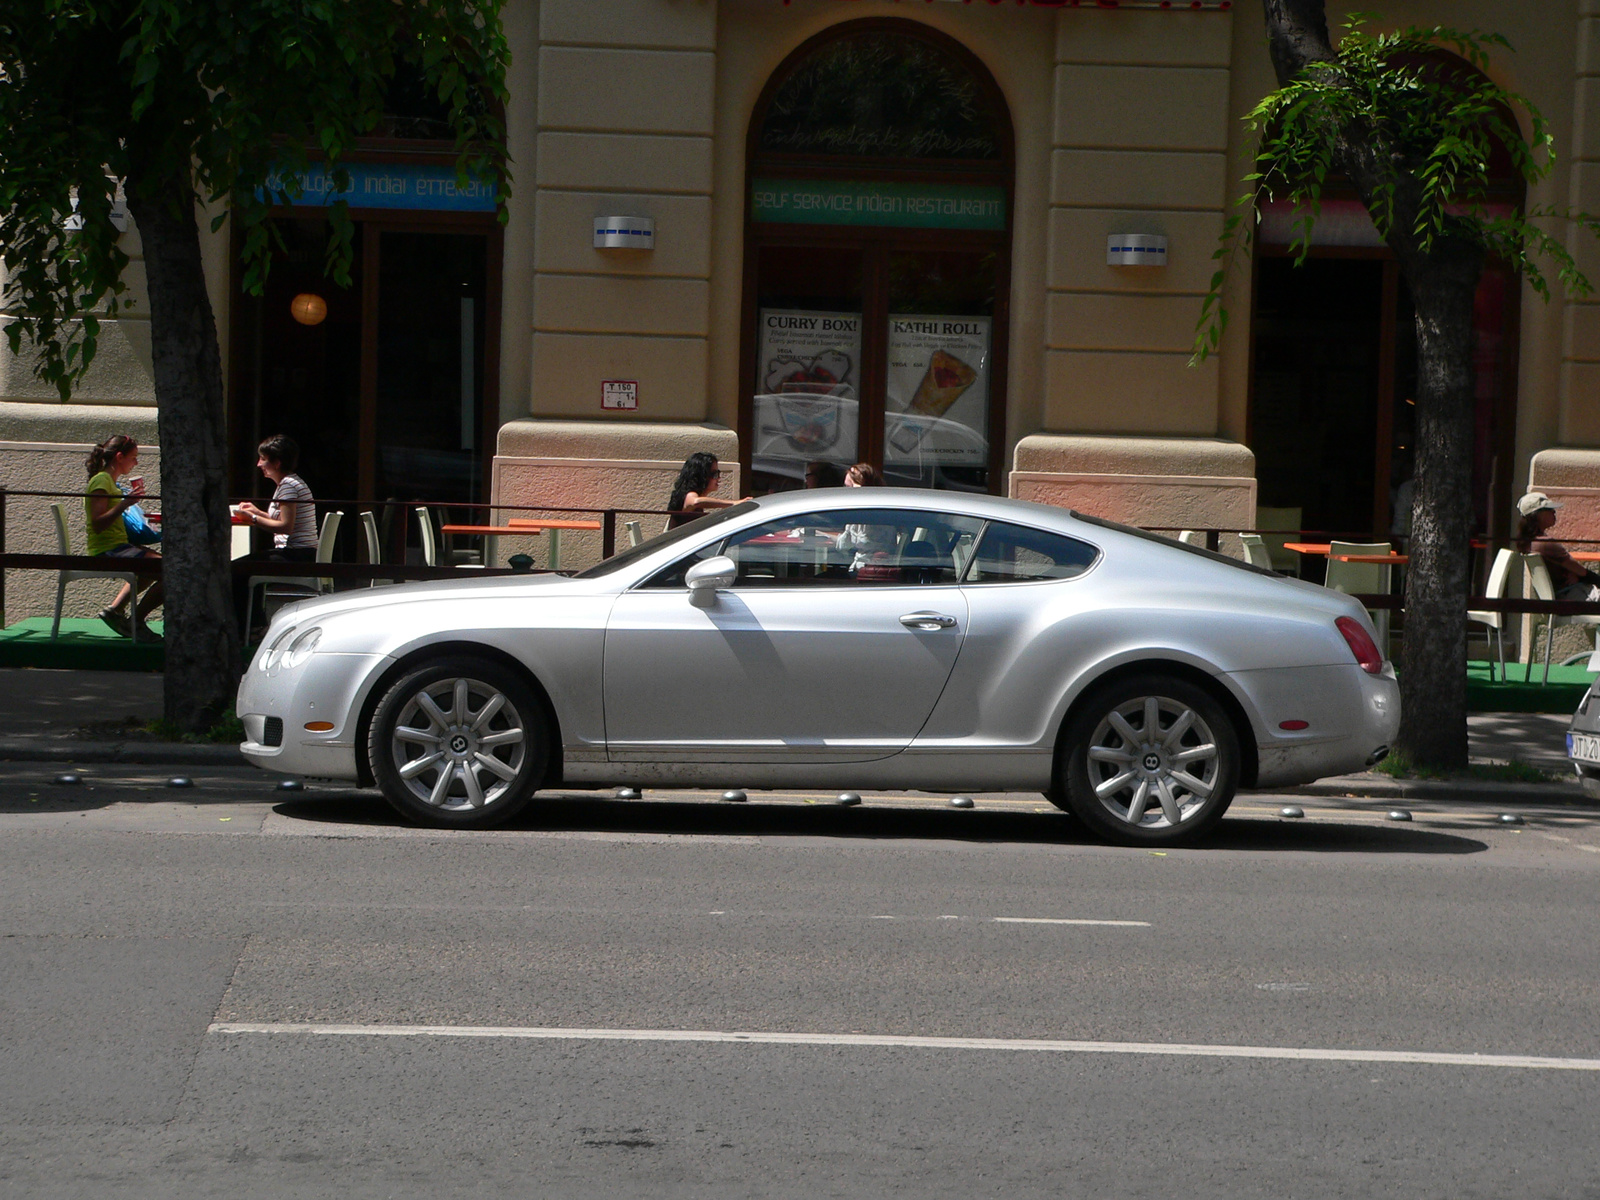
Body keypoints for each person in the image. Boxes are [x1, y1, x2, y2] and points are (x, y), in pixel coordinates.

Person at [234, 435, 317, 635]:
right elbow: (281, 518)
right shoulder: (289, 483)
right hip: (298, 552)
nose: (259, 464)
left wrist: (252, 520)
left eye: (263, 459)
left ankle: (250, 627)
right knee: (245, 566)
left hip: (297, 555)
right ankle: (255, 625)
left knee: (237, 570)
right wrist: (256, 512)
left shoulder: (288, 486)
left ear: (277, 462)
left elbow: (285, 526)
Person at [83, 435, 163, 640]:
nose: (136, 462)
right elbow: (98, 523)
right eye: (133, 457)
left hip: (117, 545)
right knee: (170, 572)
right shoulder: (101, 481)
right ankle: (136, 621)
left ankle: (115, 610)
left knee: (160, 565)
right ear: (120, 457)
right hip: (108, 549)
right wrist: (125, 504)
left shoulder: (110, 481)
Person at [1516, 491, 1600, 600]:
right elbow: (1583, 572)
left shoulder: (1530, 543)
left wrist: (1576, 576)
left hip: (1563, 595)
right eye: (1549, 509)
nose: (1554, 512)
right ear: (1537, 515)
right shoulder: (1546, 544)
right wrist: (1581, 577)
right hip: (1574, 595)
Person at [667, 452, 738, 529]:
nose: (718, 478)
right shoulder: (690, 494)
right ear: (701, 476)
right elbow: (696, 502)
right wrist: (733, 503)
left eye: (718, 473)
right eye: (714, 474)